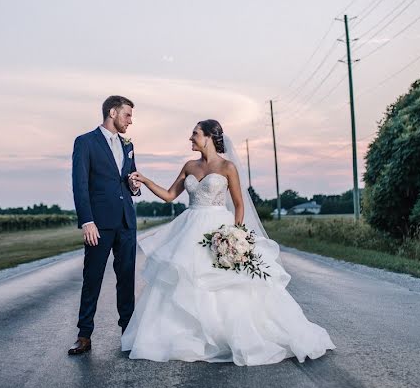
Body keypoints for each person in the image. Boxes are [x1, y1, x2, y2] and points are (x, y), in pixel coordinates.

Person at [122, 119, 335, 365]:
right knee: (186, 279)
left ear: (210, 137)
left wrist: (234, 236)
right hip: (190, 227)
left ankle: (229, 335)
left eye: (195, 134)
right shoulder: (189, 166)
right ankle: (188, 335)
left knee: (226, 284)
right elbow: (170, 196)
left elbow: (239, 204)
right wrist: (146, 181)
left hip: (219, 228)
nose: (191, 139)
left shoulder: (227, 167)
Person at [68, 95, 142, 355]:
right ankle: (84, 335)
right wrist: (87, 220)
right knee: (93, 279)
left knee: (126, 279)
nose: (130, 121)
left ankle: (129, 333)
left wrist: (134, 187)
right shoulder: (85, 142)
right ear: (113, 112)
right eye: (127, 115)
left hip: (125, 222)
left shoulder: (128, 145)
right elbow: (80, 184)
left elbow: (128, 180)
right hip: (99, 224)